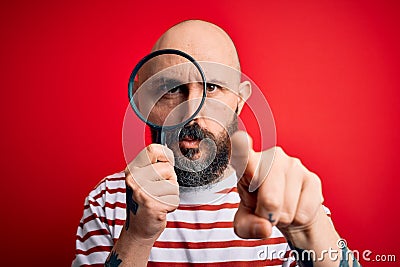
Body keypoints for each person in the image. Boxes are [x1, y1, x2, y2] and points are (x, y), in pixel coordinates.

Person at [73, 20, 359, 267]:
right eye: (172, 89)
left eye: (212, 87)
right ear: (143, 98)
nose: (190, 113)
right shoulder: (108, 200)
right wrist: (137, 235)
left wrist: (309, 228)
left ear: (240, 98)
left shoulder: (283, 195)